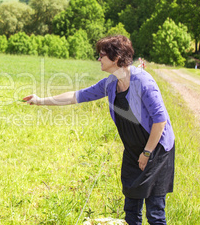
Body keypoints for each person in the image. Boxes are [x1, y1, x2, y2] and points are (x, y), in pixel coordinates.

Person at [23, 35, 175, 225]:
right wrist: (39, 100)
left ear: (116, 58)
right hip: (133, 150)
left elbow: (160, 122)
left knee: (154, 212)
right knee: (131, 210)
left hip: (156, 149)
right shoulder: (110, 84)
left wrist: (147, 152)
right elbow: (75, 96)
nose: (98, 59)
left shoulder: (143, 82)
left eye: (102, 55)